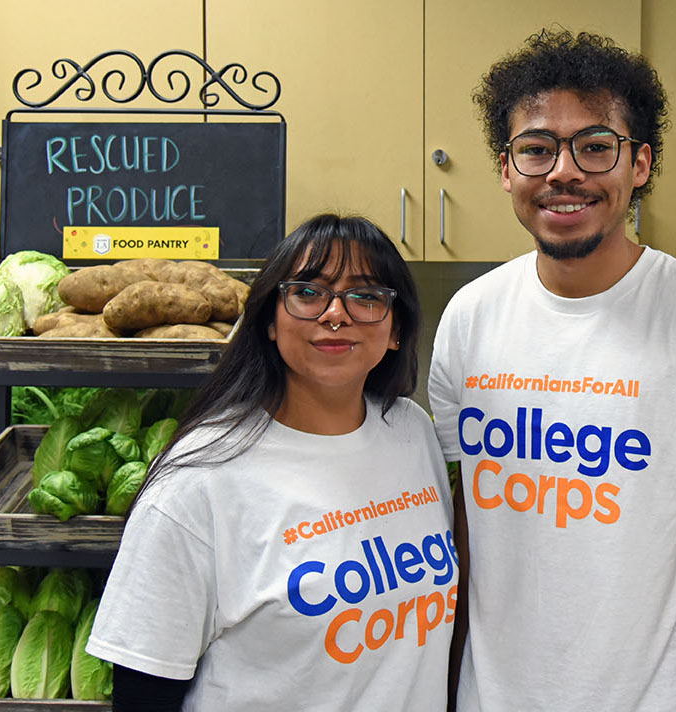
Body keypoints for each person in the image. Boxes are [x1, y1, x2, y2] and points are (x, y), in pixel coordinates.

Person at [428, 29, 676, 712]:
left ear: (639, 165)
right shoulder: (469, 317)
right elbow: (465, 539)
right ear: (505, 169)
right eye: (536, 149)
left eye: (595, 147)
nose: (562, 172)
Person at [88, 213, 458, 711]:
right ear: (268, 319)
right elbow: (144, 693)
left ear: (396, 330)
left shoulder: (411, 431)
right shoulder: (197, 486)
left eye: (366, 296)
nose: (336, 313)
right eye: (309, 292)